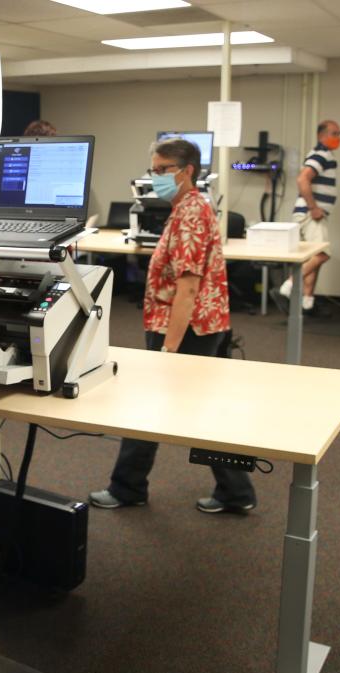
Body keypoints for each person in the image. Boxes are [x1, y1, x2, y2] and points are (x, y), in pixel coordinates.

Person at [89, 138, 257, 514]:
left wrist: (168, 349)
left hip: (186, 329)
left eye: (164, 169)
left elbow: (188, 287)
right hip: (194, 325)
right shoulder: (185, 207)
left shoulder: (192, 212)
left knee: (153, 406)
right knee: (194, 409)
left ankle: (129, 486)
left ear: (188, 171)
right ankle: (233, 491)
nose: (157, 177)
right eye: (154, 169)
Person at [278, 120, 340, 316]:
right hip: (310, 213)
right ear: (322, 135)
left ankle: (307, 302)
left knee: (312, 257)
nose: (338, 137)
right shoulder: (320, 154)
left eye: (339, 133)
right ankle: (287, 287)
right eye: (334, 133)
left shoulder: (325, 154)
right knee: (322, 254)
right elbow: (302, 178)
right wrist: (313, 207)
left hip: (309, 213)